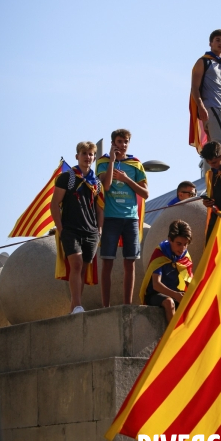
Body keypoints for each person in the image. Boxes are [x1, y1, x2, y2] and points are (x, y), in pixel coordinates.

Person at [96, 129, 149, 307]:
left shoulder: (136, 164)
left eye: (125, 141)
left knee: (130, 262)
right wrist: (112, 160)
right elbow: (107, 186)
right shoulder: (102, 162)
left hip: (131, 219)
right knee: (108, 262)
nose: (123, 145)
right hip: (110, 218)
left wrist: (127, 180)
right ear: (113, 143)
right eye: (119, 141)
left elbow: (145, 193)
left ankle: (127, 304)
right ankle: (105, 306)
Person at [51, 141, 104, 314]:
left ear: (94, 157)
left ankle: (75, 307)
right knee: (76, 264)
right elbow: (54, 205)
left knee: (82, 270)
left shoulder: (96, 182)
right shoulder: (68, 177)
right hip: (70, 229)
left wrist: (99, 229)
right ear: (77, 156)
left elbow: (99, 208)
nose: (87, 157)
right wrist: (61, 229)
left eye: (90, 154)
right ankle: (79, 306)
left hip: (90, 231)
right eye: (84, 153)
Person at [140, 220, 193, 323]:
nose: (182, 248)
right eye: (179, 244)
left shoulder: (185, 257)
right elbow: (156, 285)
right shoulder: (160, 253)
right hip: (156, 295)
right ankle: (172, 336)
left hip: (177, 294)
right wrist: (176, 295)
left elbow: (189, 282)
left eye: (185, 244)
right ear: (170, 240)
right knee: (169, 302)